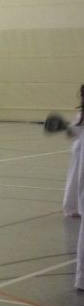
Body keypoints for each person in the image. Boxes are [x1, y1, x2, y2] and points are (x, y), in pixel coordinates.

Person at [62, 85, 83, 218]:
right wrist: (65, 127)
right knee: (77, 179)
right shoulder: (81, 115)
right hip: (80, 152)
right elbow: (71, 134)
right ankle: (73, 207)